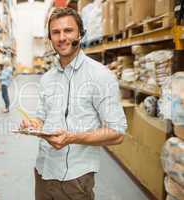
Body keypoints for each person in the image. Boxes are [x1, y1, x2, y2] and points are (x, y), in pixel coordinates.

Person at [20, 7, 127, 200]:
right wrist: (33, 124)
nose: (62, 37)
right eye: (56, 32)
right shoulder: (47, 78)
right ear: (50, 38)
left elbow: (117, 132)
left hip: (75, 179)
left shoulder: (100, 76)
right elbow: (41, 117)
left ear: (81, 33)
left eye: (68, 30)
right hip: (43, 170)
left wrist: (72, 138)